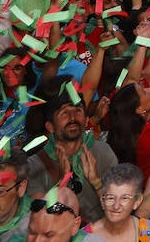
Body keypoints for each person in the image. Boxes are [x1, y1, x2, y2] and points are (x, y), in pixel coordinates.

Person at [28, 92, 119, 224]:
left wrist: (97, 183)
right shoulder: (34, 166)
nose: (72, 118)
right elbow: (42, 221)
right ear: (50, 126)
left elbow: (118, 210)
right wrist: (63, 183)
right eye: (64, 113)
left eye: (78, 111)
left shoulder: (103, 152)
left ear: (87, 120)